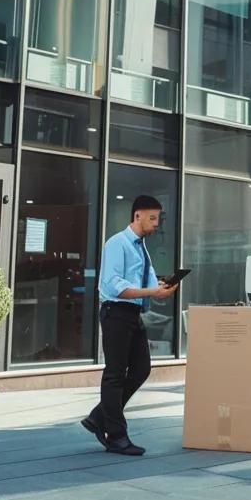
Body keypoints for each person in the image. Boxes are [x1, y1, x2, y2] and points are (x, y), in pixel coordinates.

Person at [82, 195, 176, 456]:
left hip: (133, 314)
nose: (156, 224)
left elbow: (141, 281)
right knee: (114, 374)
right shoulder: (118, 243)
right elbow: (114, 285)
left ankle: (99, 416)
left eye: (158, 218)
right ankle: (116, 436)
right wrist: (151, 292)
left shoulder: (140, 248)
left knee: (141, 368)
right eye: (153, 218)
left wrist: (161, 286)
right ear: (138, 216)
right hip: (116, 312)